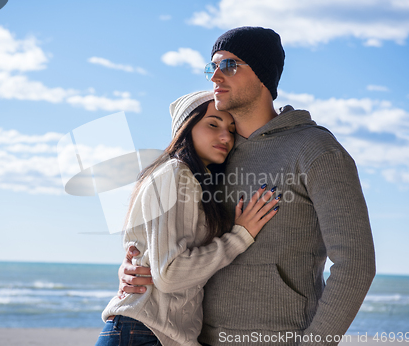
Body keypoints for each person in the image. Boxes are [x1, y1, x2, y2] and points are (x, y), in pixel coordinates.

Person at [118, 27, 376, 346]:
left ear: (263, 75)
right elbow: (176, 241)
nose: (215, 77)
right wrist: (136, 268)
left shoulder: (316, 150)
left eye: (228, 65)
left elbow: (355, 261)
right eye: (211, 67)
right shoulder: (214, 154)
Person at [95, 90, 280, 346]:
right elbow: (169, 274)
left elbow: (150, 256)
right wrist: (240, 236)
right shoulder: (177, 174)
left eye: (232, 128)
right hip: (143, 334)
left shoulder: (193, 181)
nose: (226, 136)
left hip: (151, 333)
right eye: (213, 124)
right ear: (186, 127)